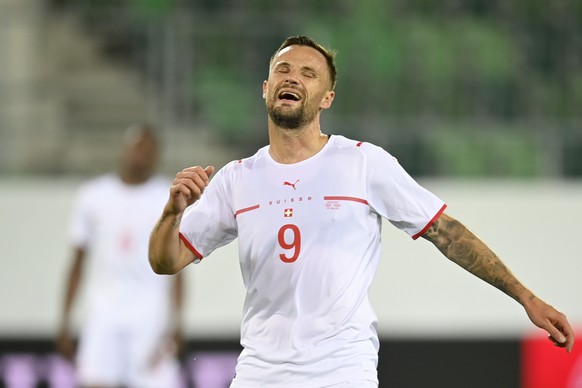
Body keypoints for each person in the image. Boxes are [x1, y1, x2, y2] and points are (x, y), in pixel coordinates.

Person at [148, 36, 574, 387]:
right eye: (283, 69)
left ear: (327, 97)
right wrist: (171, 214)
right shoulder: (236, 179)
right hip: (261, 373)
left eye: (308, 73)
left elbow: (447, 233)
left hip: (341, 371)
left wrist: (526, 298)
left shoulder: (362, 163)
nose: (292, 77)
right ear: (265, 88)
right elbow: (165, 261)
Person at [57, 124, 183, 388]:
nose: (141, 155)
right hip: (104, 312)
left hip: (149, 313)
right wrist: (65, 320)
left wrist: (176, 323)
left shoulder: (166, 197)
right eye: (137, 148)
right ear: (124, 151)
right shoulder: (93, 195)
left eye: (148, 150)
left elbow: (177, 266)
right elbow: (77, 263)